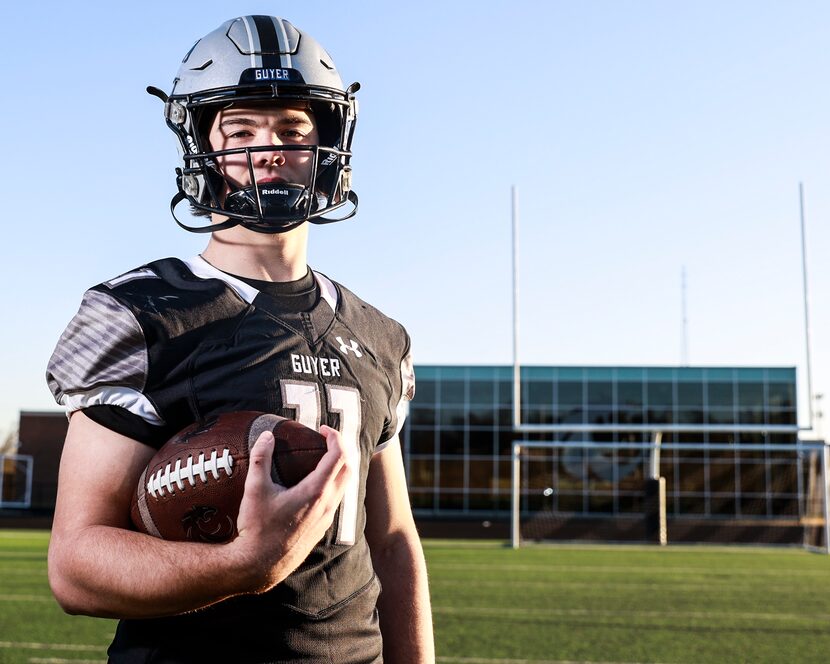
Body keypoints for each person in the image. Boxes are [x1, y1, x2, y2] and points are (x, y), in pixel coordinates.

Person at [45, 15, 434, 664]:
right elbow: (76, 566)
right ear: (204, 147)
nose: (270, 149)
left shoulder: (381, 335)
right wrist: (243, 566)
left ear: (328, 144)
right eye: (242, 129)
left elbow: (391, 541)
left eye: (291, 129)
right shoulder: (141, 311)